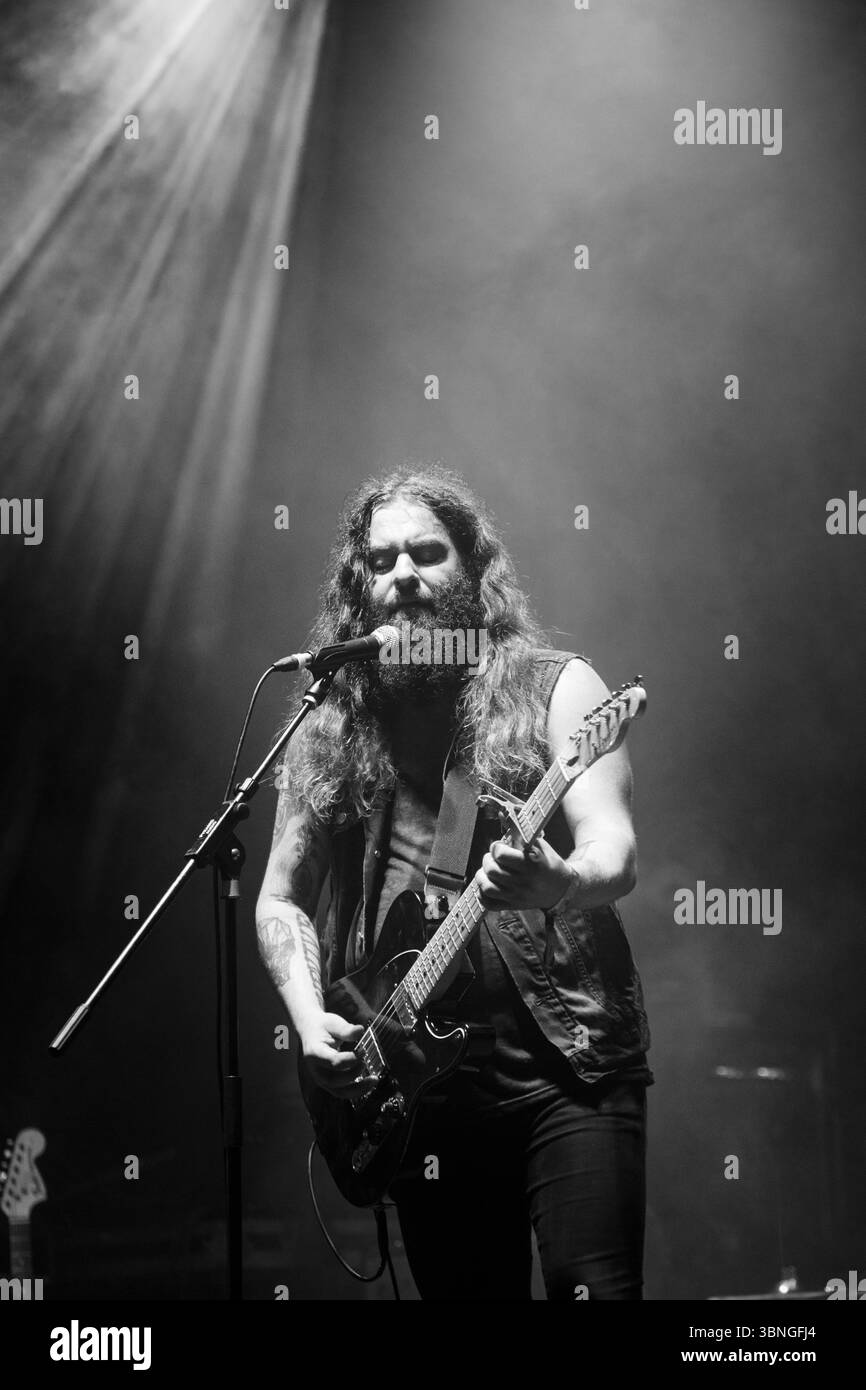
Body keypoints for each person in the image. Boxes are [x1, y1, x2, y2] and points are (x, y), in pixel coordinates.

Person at [255, 465, 652, 1300]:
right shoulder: (328, 727)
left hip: (566, 1067)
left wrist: (561, 882)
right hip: (414, 1098)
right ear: (359, 589)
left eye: (427, 554)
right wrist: (307, 1018)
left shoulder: (556, 688)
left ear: (473, 571)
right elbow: (281, 895)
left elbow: (614, 850)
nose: (403, 576)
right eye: (382, 560)